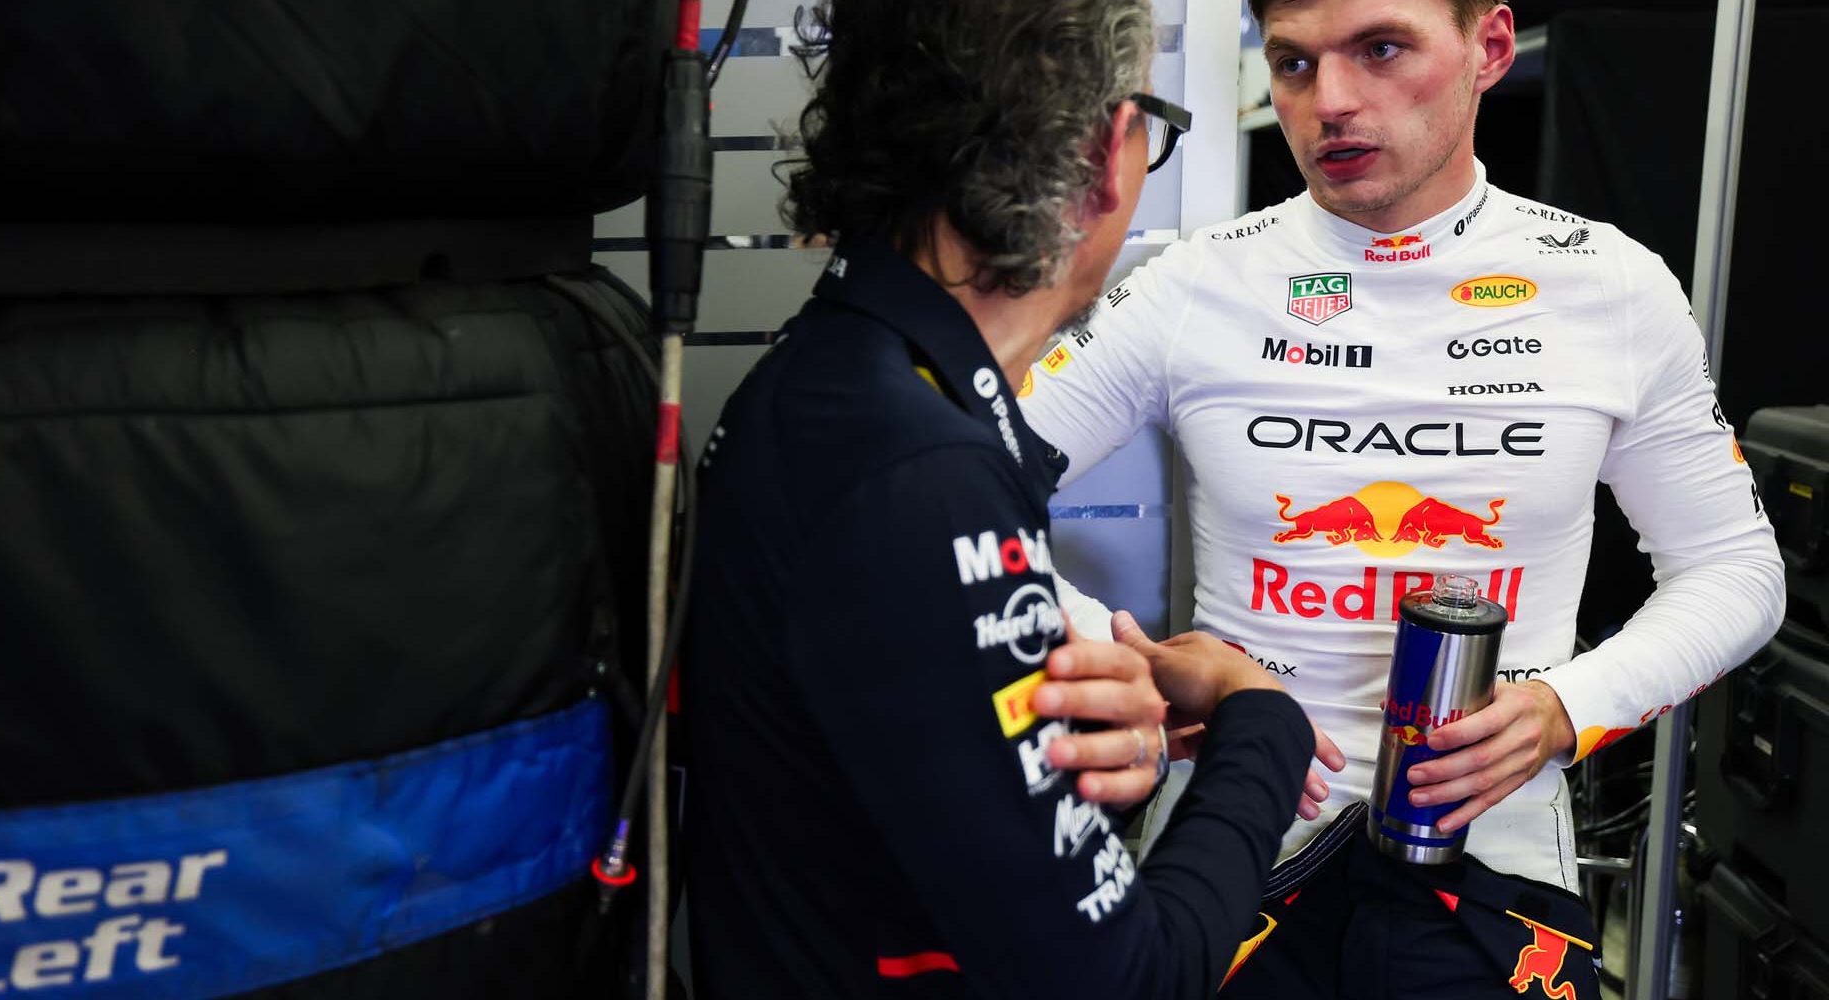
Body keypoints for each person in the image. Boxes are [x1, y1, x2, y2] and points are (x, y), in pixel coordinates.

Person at [1024, 0, 1785, 994]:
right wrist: (1118, 660)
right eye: (1293, 64)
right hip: (1239, 849)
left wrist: (1569, 704)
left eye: (1381, 49)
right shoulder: (1197, 282)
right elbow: (955, 491)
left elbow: (1738, 568)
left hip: (1491, 863)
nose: (1329, 101)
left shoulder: (1613, 288)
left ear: (1490, 50)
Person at [680, 0, 1350, 996]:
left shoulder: (837, 380)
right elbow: (1132, 979)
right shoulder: (918, 468)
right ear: (1104, 153)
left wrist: (1090, 737)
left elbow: (897, 766)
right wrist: (1262, 721)